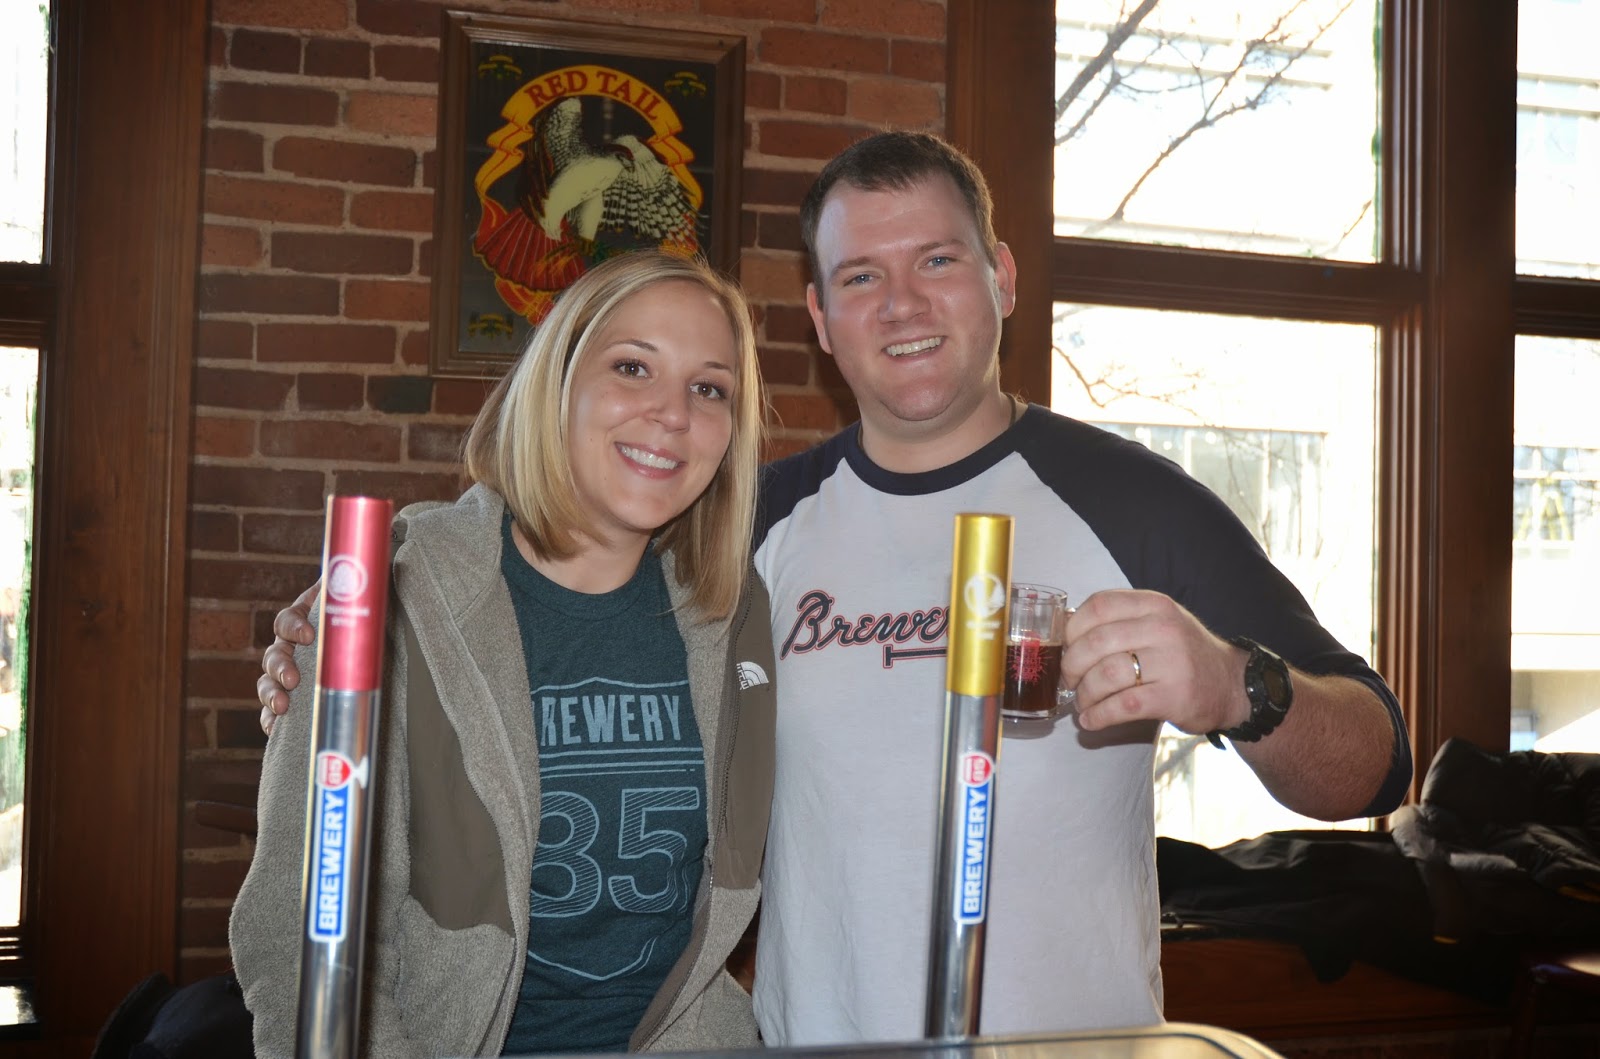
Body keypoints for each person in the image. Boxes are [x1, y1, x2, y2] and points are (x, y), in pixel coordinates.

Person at [257, 133, 1412, 1045]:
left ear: (1002, 278)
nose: (901, 304)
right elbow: (540, 569)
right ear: (818, 317)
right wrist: (353, 621)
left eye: (938, 261)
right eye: (861, 276)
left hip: (1068, 1050)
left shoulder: (1137, 503)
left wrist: (1238, 687)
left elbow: (1374, 766)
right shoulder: (741, 526)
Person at [229, 250, 777, 1058]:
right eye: (633, 367)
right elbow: (295, 941)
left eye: (710, 388)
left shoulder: (736, 614)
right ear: (557, 383)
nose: (673, 413)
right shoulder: (385, 603)